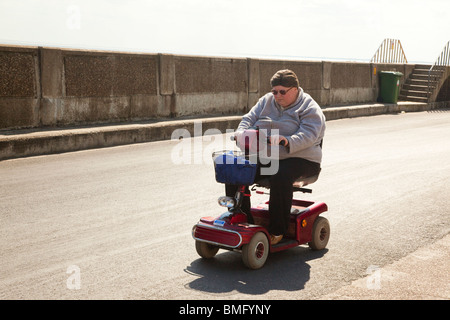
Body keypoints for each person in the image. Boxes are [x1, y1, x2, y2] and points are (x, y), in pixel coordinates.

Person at [227, 69, 326, 245]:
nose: (277, 96)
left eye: (282, 92)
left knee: (280, 174)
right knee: (236, 170)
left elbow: (309, 134)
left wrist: (287, 141)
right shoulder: (266, 101)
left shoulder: (309, 108)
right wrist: (240, 133)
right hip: (269, 155)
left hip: (302, 158)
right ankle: (243, 219)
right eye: (274, 91)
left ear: (295, 89)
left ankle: (277, 231)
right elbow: (248, 119)